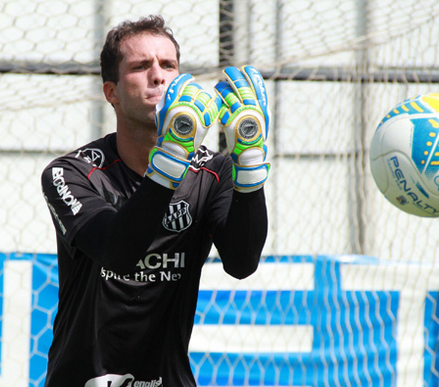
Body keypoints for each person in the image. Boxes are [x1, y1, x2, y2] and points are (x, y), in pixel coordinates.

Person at [41, 14, 270, 387]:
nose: (158, 76)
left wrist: (249, 162)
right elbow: (119, 252)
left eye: (168, 65)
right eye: (140, 66)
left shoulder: (213, 172)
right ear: (111, 92)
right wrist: (172, 157)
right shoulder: (71, 172)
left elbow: (242, 263)